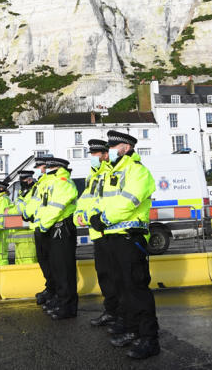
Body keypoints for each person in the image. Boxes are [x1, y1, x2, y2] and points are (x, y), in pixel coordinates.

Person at [89, 130, 160, 360]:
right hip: (113, 237)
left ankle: (149, 338)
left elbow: (128, 202)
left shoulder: (138, 171)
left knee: (136, 289)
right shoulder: (113, 172)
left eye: (113, 145)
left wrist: (104, 219)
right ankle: (132, 329)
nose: (109, 149)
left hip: (130, 238)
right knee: (122, 288)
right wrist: (95, 217)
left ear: (126, 148)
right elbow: (102, 201)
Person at [75, 139, 120, 328]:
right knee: (104, 275)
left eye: (96, 154)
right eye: (91, 154)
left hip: (108, 230)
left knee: (115, 276)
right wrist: (79, 215)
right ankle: (110, 311)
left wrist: (95, 218)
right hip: (97, 232)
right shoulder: (93, 175)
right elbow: (85, 200)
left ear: (105, 155)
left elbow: (107, 202)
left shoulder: (108, 173)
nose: (93, 158)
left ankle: (119, 314)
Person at [34, 157, 79, 319]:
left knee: (64, 270)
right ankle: (61, 301)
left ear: (57, 168)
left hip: (62, 229)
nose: (45, 169)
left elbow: (56, 208)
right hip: (53, 228)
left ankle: (68, 307)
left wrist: (44, 225)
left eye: (49, 167)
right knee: (58, 269)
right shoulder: (52, 183)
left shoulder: (63, 182)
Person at [21, 156, 55, 307]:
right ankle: (51, 289)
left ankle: (54, 292)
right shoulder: (40, 183)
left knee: (51, 263)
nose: (40, 170)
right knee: (45, 262)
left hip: (46, 227)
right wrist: (28, 214)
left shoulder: (49, 183)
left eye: (42, 166)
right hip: (38, 226)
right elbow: (35, 203)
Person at [8, 170, 37, 264]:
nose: (21, 182)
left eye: (23, 179)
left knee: (28, 261)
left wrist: (8, 212)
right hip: (21, 234)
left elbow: (22, 209)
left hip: (27, 235)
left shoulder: (33, 192)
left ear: (29, 180)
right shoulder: (24, 191)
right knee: (20, 262)